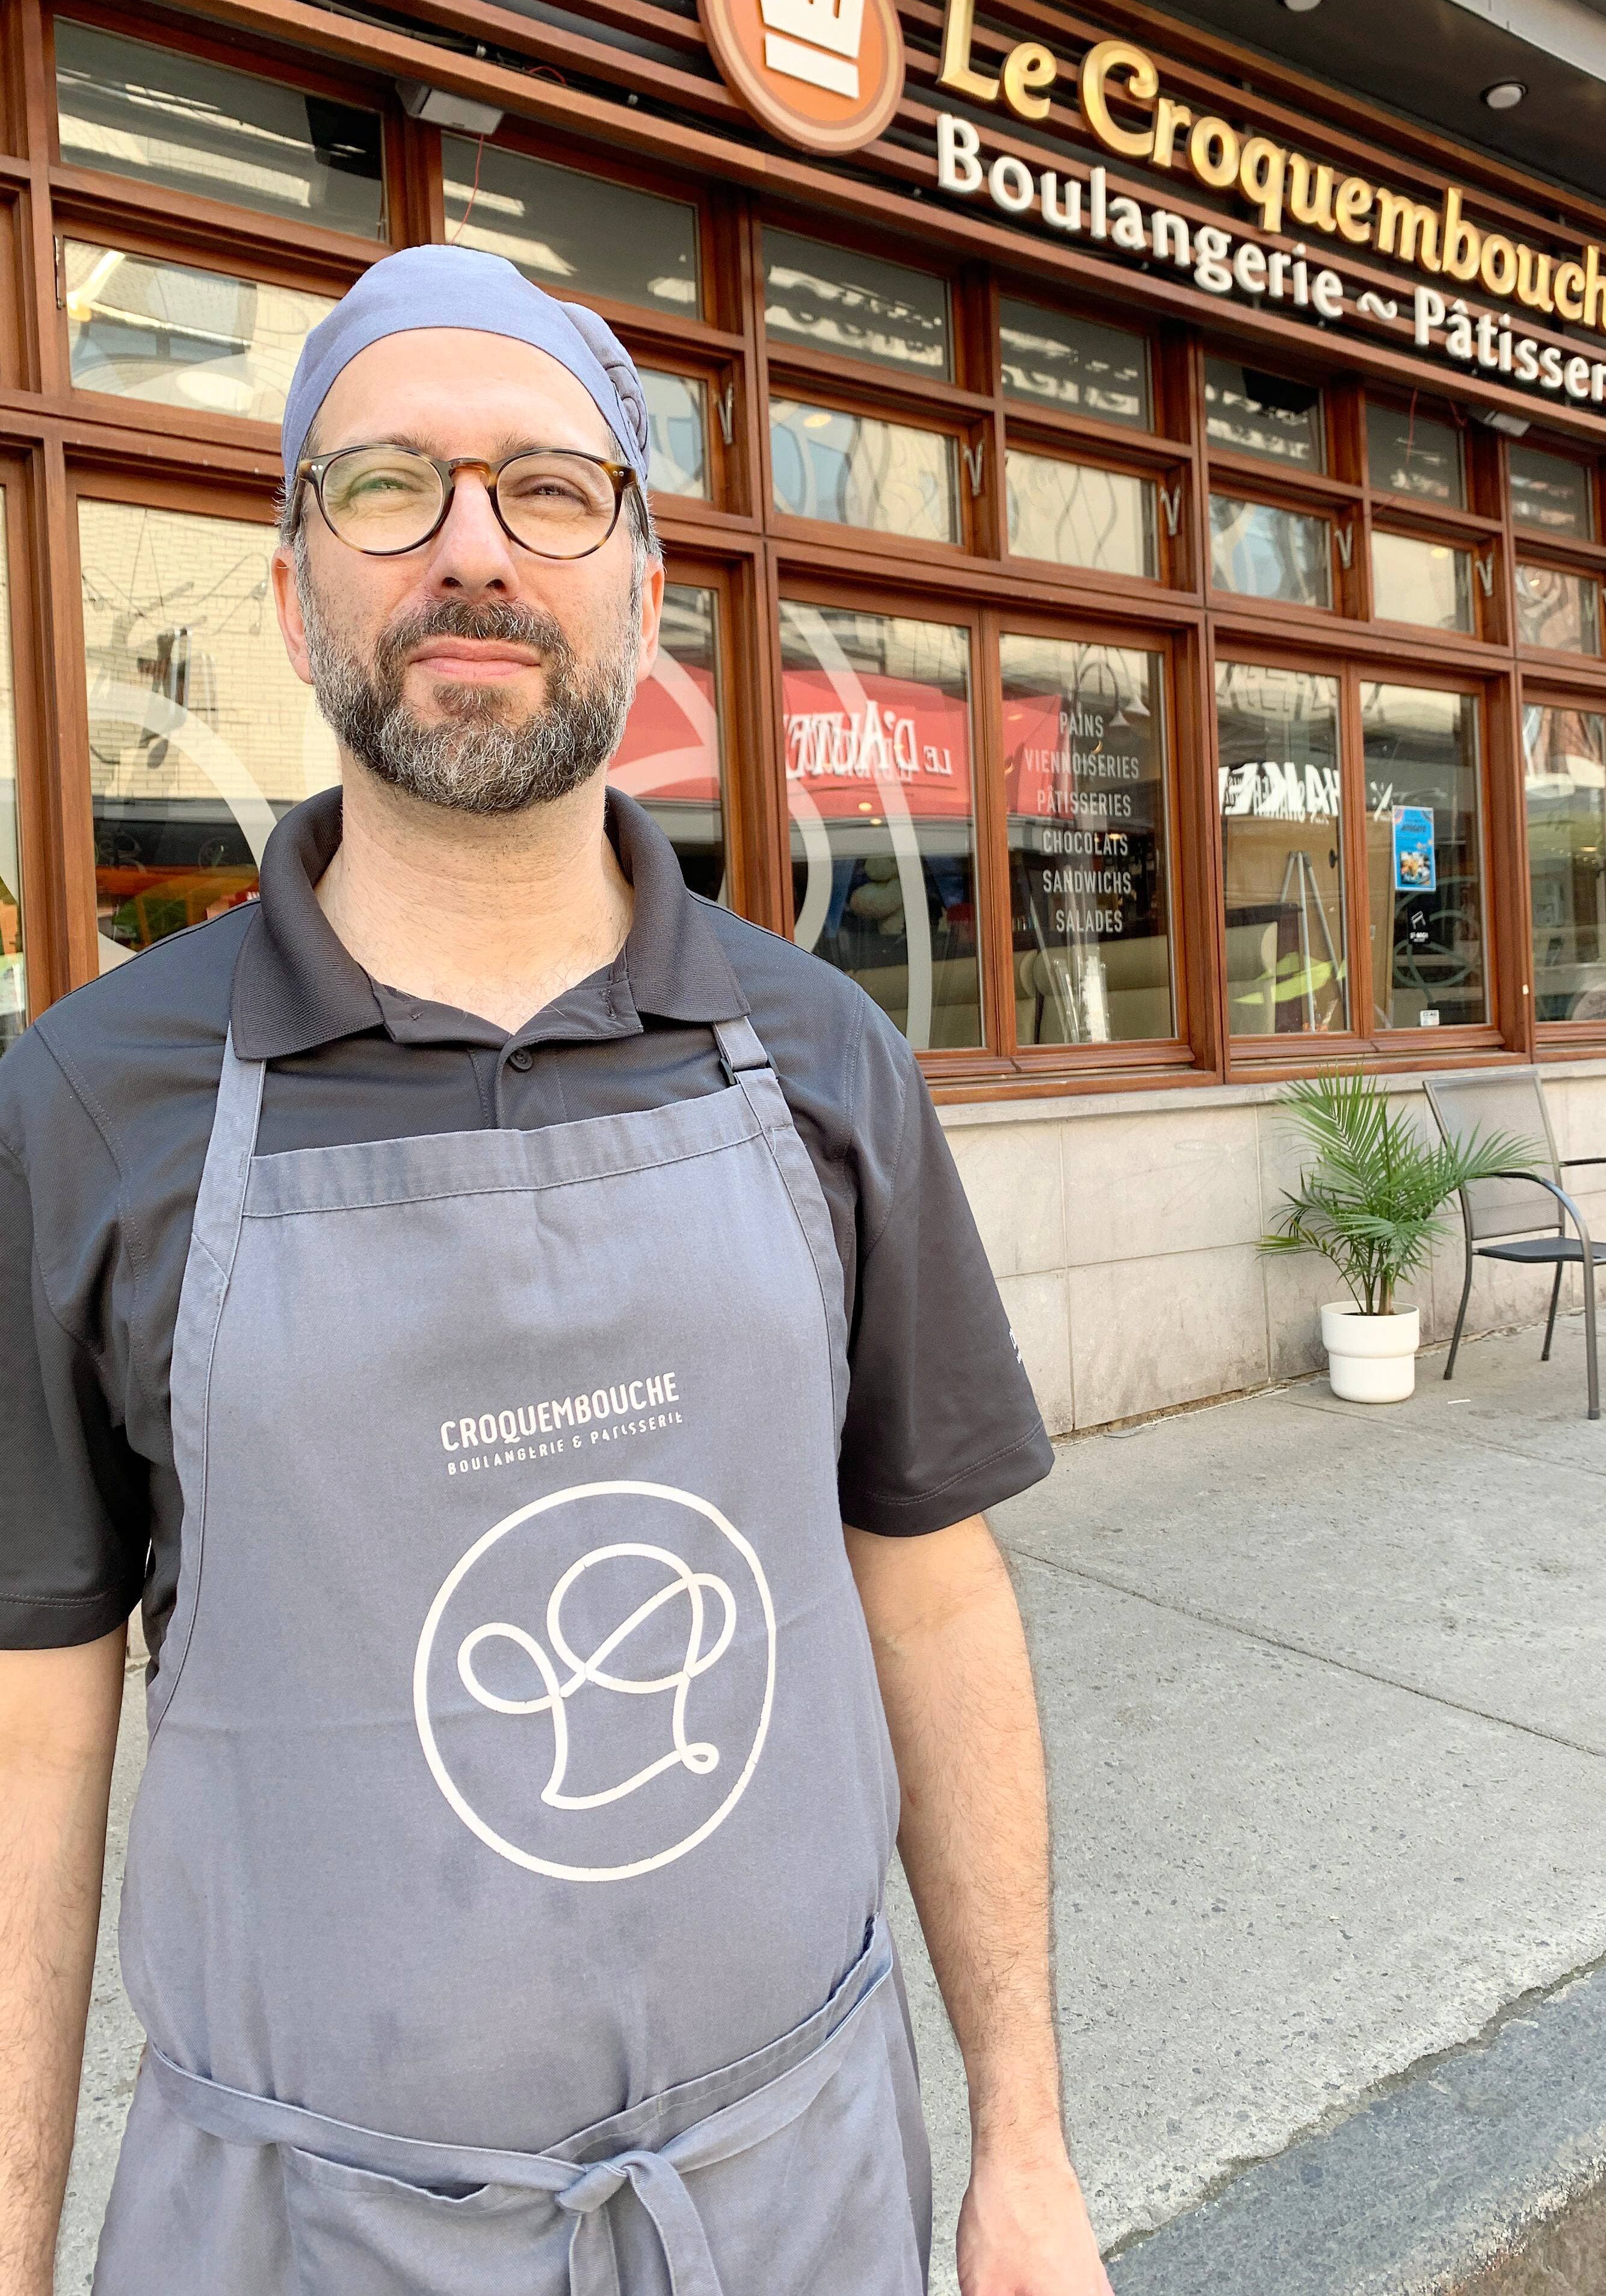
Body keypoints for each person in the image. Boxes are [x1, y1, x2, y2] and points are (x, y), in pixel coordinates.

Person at [0, 247, 1113, 2296]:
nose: (471, 548)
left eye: (547, 486)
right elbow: (33, 1730)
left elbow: (935, 1597)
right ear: (292, 591)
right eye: (386, 485)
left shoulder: (823, 1055)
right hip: (302, 2241)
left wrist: (1024, 2138)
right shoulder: (88, 1104)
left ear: (645, 584)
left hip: (801, 2210)